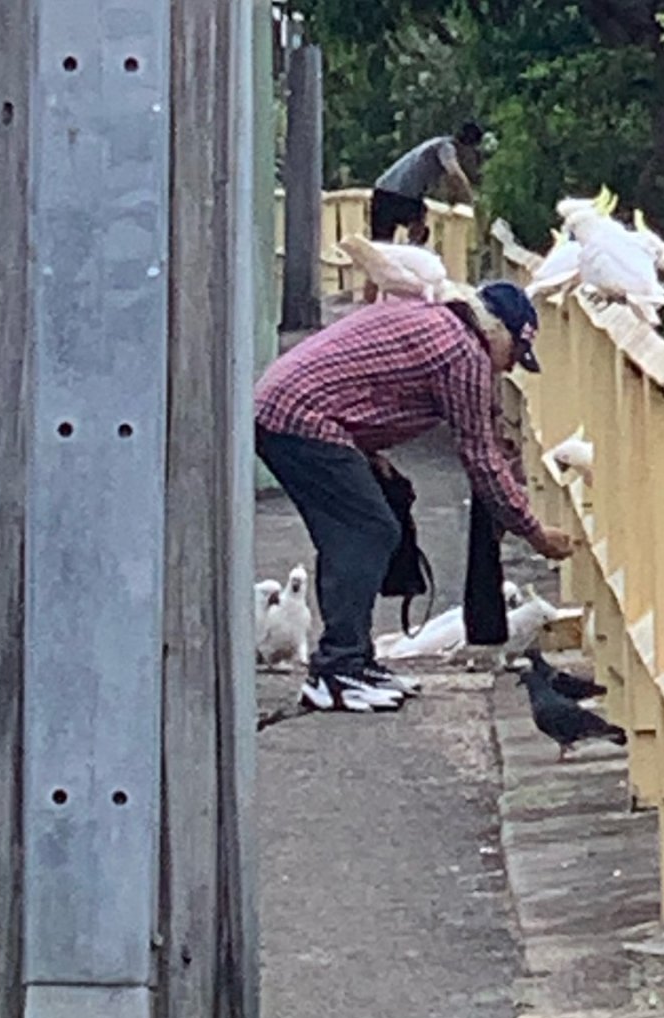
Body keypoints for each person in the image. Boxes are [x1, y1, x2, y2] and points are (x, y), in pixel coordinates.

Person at [255, 281, 573, 714]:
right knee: (366, 529)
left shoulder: (433, 320)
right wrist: (535, 533)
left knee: (366, 521)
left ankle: (354, 660)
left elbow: (363, 382)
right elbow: (480, 459)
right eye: (514, 356)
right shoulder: (463, 353)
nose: (509, 369)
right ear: (497, 333)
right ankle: (337, 669)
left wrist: (367, 452)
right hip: (300, 417)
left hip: (287, 406)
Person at [370, 121, 484, 246]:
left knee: (381, 244)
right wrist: (470, 199)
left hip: (382, 191)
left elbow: (448, 182)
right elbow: (454, 173)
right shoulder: (446, 147)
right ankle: (414, 253)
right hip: (402, 195)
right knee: (419, 225)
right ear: (468, 147)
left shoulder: (436, 143)